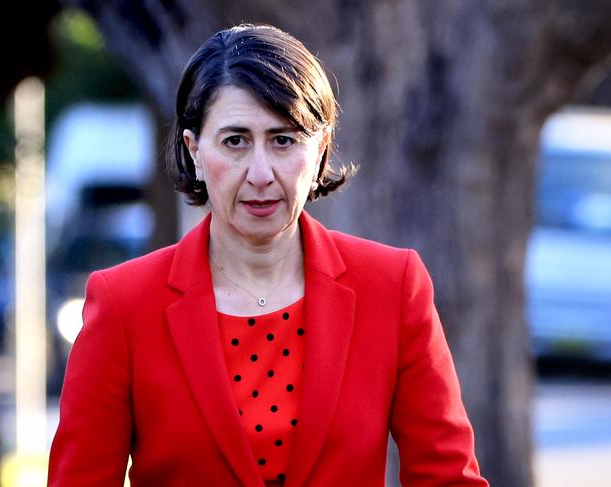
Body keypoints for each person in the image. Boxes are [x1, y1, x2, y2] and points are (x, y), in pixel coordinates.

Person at [48, 24, 488, 487]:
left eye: (283, 140)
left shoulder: (393, 285)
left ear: (319, 150)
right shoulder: (124, 303)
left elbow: (447, 477)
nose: (260, 173)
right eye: (235, 141)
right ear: (194, 150)